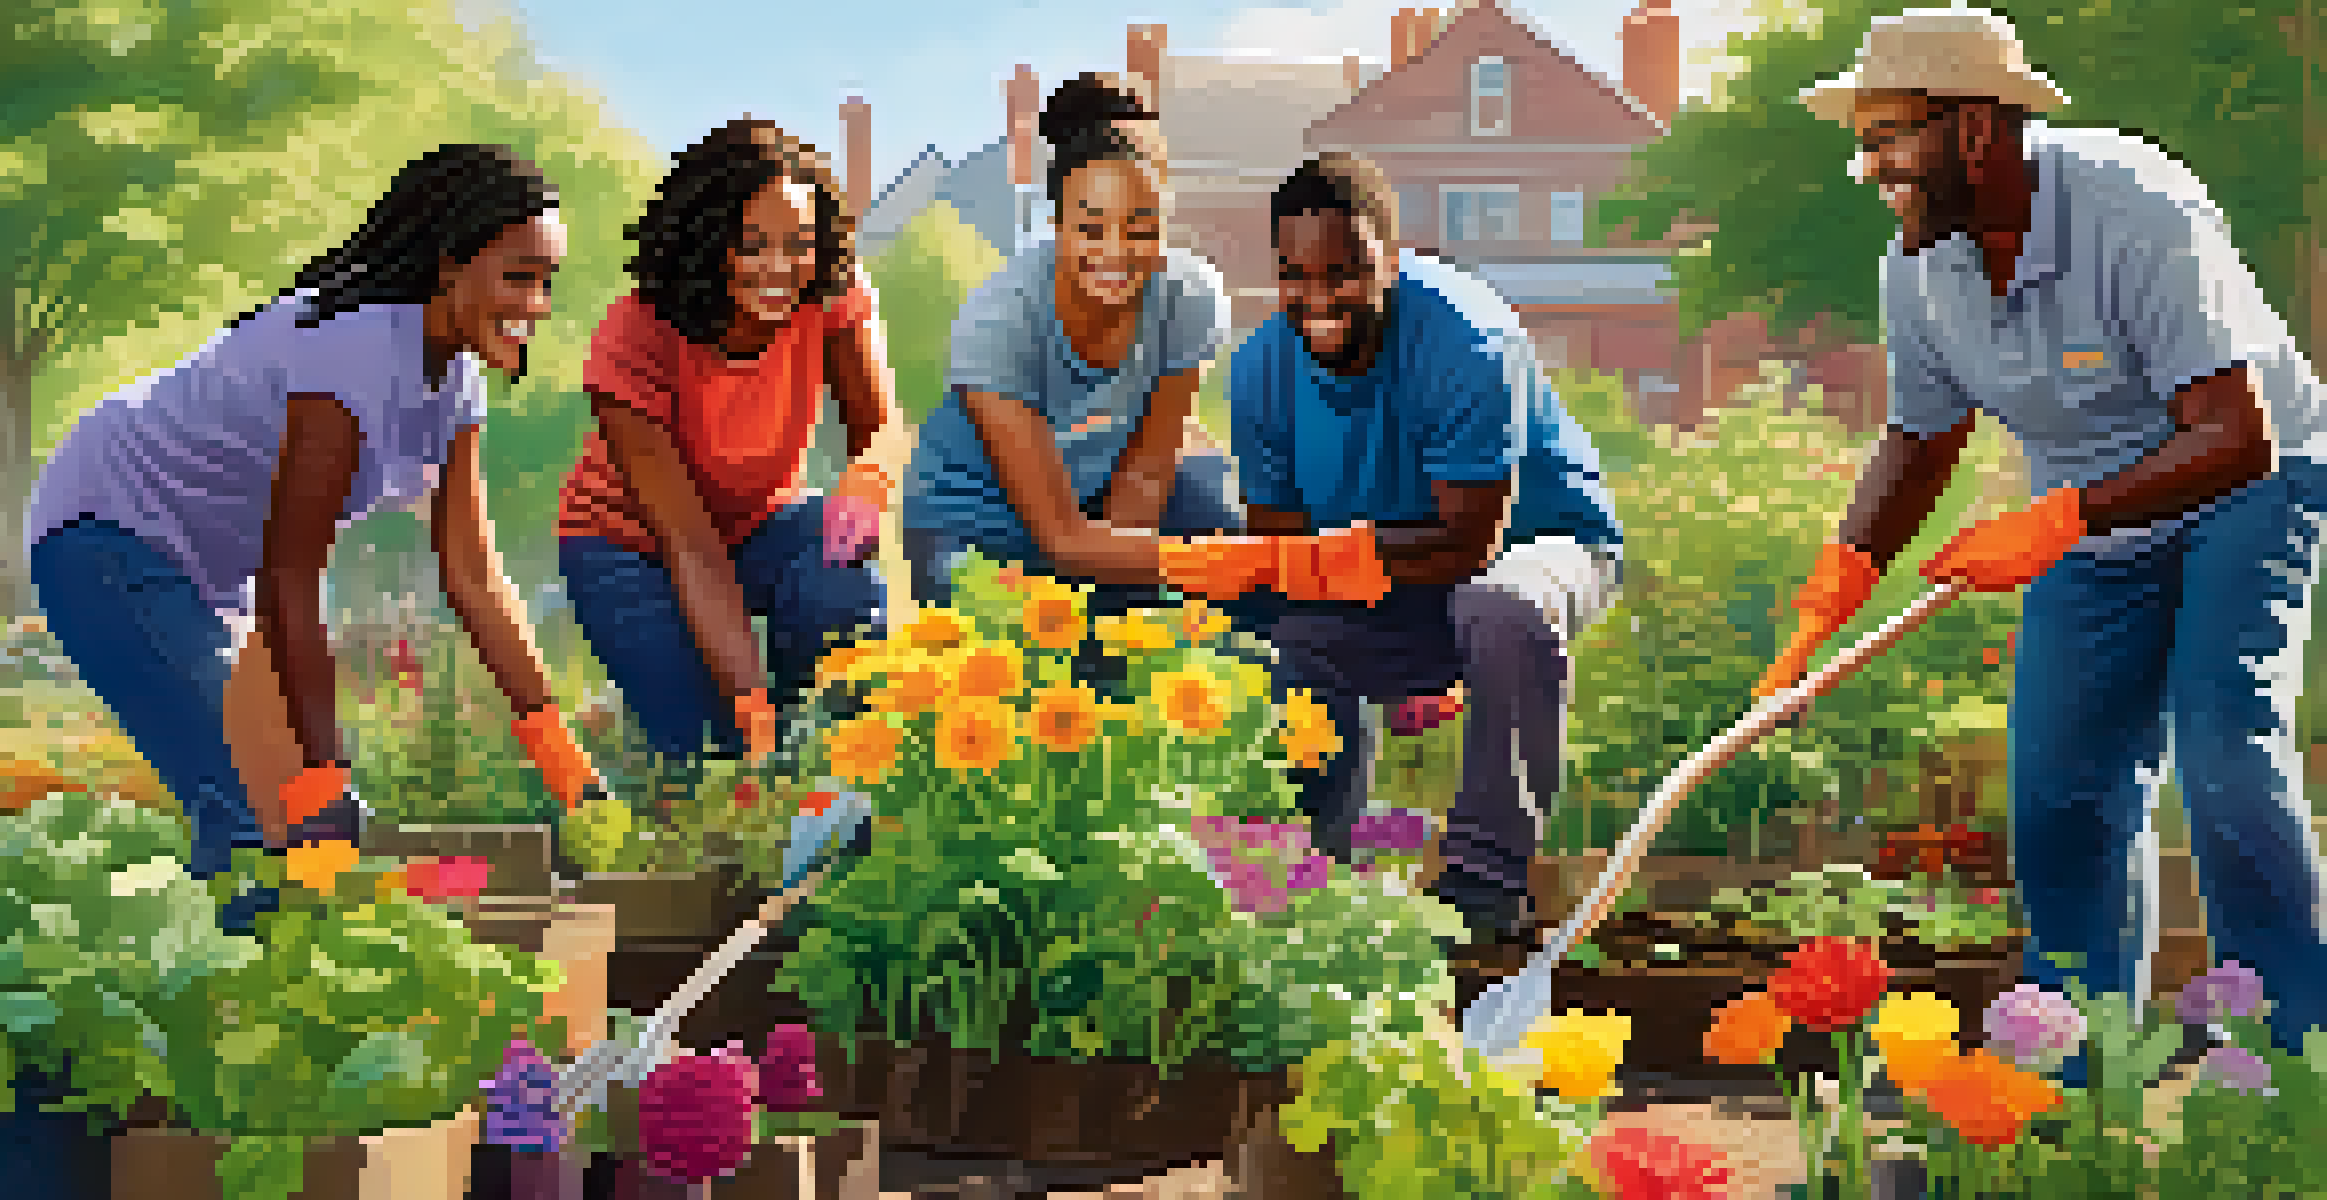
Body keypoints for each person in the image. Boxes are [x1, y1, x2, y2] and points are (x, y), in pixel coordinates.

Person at [1778, 6, 2327, 1078]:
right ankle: (2073, 1071)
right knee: (2062, 790)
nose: (1869, 163)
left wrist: (2058, 520)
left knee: (2223, 751)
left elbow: (2234, 435)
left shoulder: (2136, 206)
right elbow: (1921, 438)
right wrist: (1835, 587)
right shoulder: (1921, 264)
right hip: (2093, 516)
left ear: (1976, 129)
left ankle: (2298, 1063)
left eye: (1889, 135)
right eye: (1863, 140)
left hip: (2248, 487)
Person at [26, 145, 608, 932]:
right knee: (255, 813)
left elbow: (473, 574)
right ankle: (225, 1027)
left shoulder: (455, 383)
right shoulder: (356, 347)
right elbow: (292, 573)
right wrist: (320, 772)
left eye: (547, 283)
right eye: (517, 276)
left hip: (204, 577)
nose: (535, 304)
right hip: (108, 535)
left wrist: (559, 755)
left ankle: (278, 1006)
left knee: (316, 828)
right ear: (447, 266)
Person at [1170, 153, 1625, 945]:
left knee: (1500, 608)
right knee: (1285, 646)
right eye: (1294, 276)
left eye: (1344, 273)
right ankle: (1303, 879)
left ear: (1391, 257)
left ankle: (1480, 889)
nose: (1318, 300)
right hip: (1398, 576)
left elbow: (1469, 546)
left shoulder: (1467, 341)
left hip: (1542, 546)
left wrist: (1378, 596)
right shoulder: (1261, 375)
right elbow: (1293, 561)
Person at [900, 73, 1285, 687]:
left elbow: (1147, 472)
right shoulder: (1002, 317)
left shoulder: (1190, 297)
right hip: (975, 526)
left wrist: (1125, 606)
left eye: (1140, 227)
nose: (1117, 253)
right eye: (1091, 227)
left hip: (1096, 504)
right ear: (1056, 224)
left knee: (1220, 518)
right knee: (1018, 683)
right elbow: (1057, 537)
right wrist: (1223, 562)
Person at [554, 120, 904, 774]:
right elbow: (690, 545)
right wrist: (750, 707)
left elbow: (879, 429)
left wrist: (866, 485)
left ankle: (823, 766)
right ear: (705, 242)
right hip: (631, 548)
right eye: (751, 245)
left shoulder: (830, 292)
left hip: (767, 522)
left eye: (798, 245)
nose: (779, 269)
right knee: (713, 761)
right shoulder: (633, 338)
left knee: (844, 601)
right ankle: (687, 733)